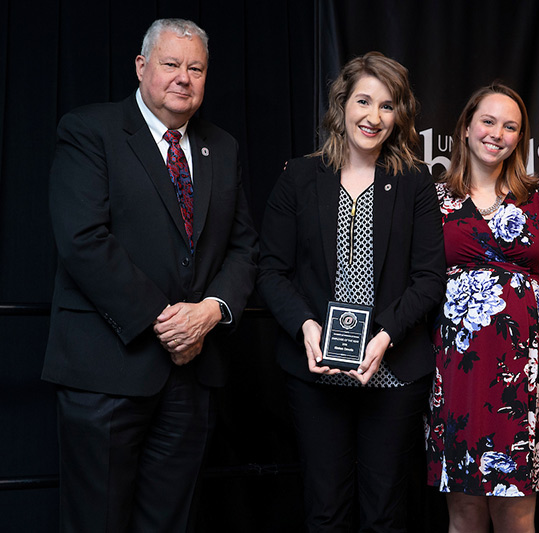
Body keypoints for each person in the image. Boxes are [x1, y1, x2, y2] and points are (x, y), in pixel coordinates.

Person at [42, 18, 259, 532]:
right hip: (106, 371)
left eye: (196, 68)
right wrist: (166, 322)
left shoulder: (221, 148)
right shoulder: (89, 130)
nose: (183, 77)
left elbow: (244, 247)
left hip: (191, 376)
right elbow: (83, 240)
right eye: (171, 64)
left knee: (170, 523)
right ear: (142, 67)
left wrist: (211, 311)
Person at [258, 51, 445, 531]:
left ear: (399, 115)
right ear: (342, 104)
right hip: (315, 370)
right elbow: (271, 272)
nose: (374, 117)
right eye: (364, 101)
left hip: (395, 369)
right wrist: (306, 327)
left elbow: (429, 278)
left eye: (387, 106)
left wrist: (384, 338)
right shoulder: (299, 178)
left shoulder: (415, 183)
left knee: (385, 511)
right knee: (325, 509)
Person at [425, 84, 539, 533]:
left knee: (516, 515)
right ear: (467, 127)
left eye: (510, 126)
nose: (498, 133)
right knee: (464, 513)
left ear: (520, 138)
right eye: (488, 121)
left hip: (524, 370)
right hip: (456, 369)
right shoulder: (434, 199)